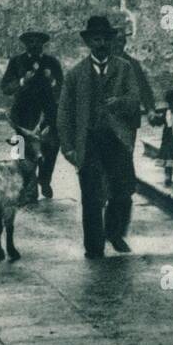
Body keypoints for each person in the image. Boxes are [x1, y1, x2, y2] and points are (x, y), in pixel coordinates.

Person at [58, 16, 143, 259]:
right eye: (96, 39)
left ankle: (115, 233)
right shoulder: (75, 74)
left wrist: (120, 103)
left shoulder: (124, 69)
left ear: (111, 41)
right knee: (92, 196)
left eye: (105, 38)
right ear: (88, 43)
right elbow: (64, 113)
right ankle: (94, 246)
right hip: (89, 142)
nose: (101, 43)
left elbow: (135, 100)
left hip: (117, 141)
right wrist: (69, 148)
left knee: (123, 190)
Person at [1, 30, 63, 199]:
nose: (34, 45)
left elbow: (62, 89)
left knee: (50, 149)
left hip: (48, 115)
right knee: (21, 151)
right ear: (25, 44)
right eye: (30, 42)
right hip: (23, 115)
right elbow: (5, 87)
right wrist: (22, 81)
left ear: (43, 44)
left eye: (38, 42)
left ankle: (44, 180)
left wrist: (52, 82)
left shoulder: (52, 63)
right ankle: (25, 187)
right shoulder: (16, 62)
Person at [112, 26, 156, 126]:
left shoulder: (133, 64)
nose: (118, 44)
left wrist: (150, 110)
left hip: (129, 116)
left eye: (121, 41)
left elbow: (144, 88)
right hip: (108, 118)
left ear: (124, 42)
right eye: (114, 41)